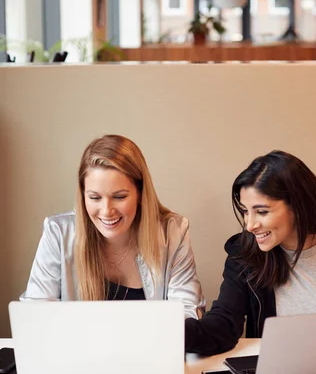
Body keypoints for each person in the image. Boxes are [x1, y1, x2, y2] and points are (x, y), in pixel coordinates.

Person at [185, 150, 316, 354]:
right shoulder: (245, 254)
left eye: (262, 212)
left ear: (298, 205)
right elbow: (223, 325)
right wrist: (176, 334)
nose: (249, 225)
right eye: (245, 211)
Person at [22, 134, 205, 319]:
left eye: (119, 197)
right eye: (94, 197)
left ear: (140, 193)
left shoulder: (173, 232)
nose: (106, 211)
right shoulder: (58, 234)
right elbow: (36, 314)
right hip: (78, 348)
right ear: (83, 195)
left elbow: (187, 313)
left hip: (151, 348)